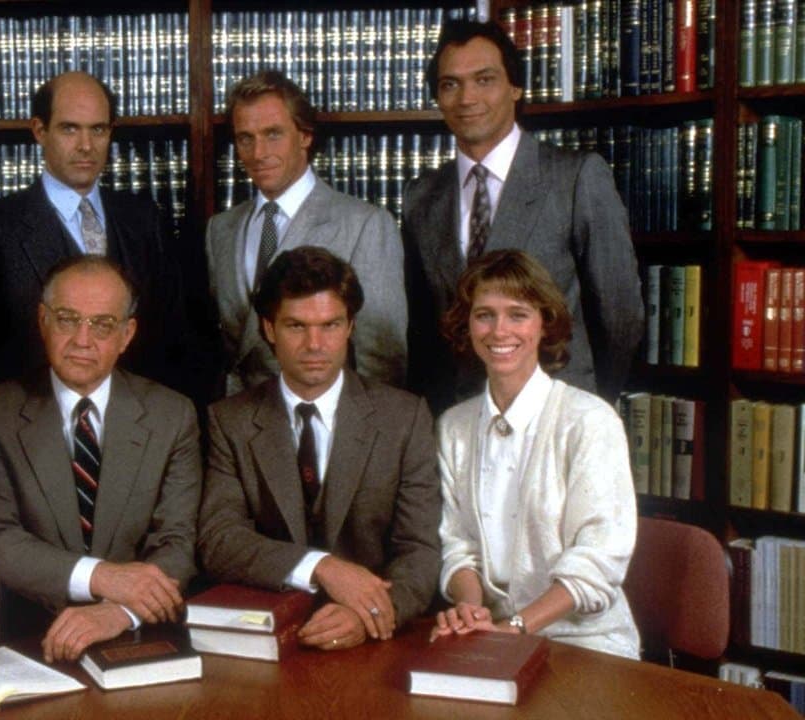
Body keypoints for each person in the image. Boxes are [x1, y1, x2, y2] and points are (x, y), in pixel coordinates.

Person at [198, 246, 440, 650]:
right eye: (296, 326)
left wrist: (369, 614)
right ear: (269, 329)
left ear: (350, 327)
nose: (315, 344)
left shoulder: (404, 417)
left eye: (330, 325)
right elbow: (219, 540)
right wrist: (321, 567)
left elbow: (420, 551)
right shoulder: (230, 420)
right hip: (269, 634)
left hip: (376, 638)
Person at [403, 20, 644, 415]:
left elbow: (620, 316)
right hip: (458, 418)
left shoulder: (575, 178)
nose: (467, 98)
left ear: (515, 87)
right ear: (438, 98)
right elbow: (422, 332)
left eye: (484, 80)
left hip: (557, 411)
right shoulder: (421, 197)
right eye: (450, 84)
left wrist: (590, 405)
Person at [0, 256, 201, 663]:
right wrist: (102, 577)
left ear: (127, 334)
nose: (82, 340)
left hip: (138, 637)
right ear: (43, 321)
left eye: (102, 325)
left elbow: (177, 543)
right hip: (27, 640)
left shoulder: (172, 415)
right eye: (67, 319)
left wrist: (119, 611)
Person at [431, 249, 639, 659]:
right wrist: (471, 612)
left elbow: (599, 559)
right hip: (490, 634)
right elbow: (457, 544)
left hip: (585, 642)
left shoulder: (589, 421)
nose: (499, 331)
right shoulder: (453, 427)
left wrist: (514, 628)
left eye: (518, 315)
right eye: (484, 315)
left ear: (545, 323)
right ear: (466, 324)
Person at [0, 71, 197, 399]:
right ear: (40, 131)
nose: (86, 146)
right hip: (32, 417)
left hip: (136, 418)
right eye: (70, 129)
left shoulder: (144, 218)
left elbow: (175, 338)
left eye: (98, 130)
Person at [206, 70, 407, 395]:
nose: (258, 153)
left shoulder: (365, 224)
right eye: (245, 138)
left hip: (331, 416)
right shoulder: (220, 229)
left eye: (273, 134)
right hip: (241, 416)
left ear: (305, 136)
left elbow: (382, 363)